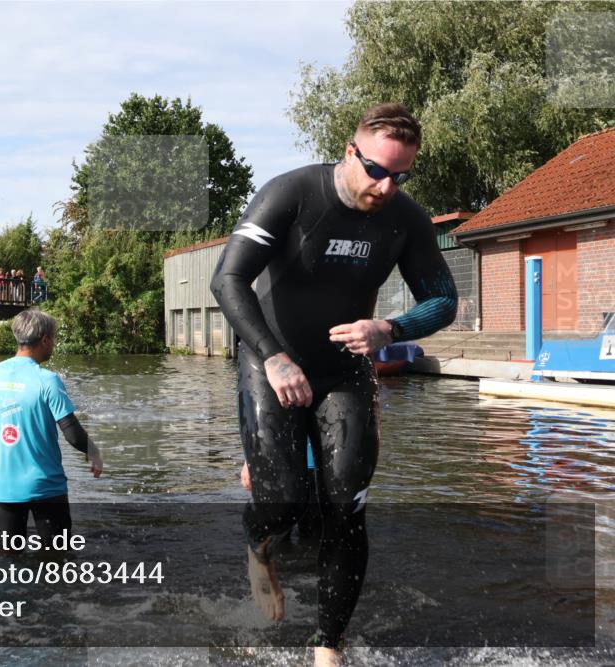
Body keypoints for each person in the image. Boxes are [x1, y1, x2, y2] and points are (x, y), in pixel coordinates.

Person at [210, 103, 457, 666]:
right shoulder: (292, 194)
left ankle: (328, 646)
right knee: (282, 499)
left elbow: (444, 300)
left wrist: (390, 328)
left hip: (345, 369)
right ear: (352, 151)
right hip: (271, 361)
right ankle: (258, 544)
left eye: (401, 175)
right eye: (376, 170)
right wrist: (272, 357)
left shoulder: (404, 219)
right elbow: (228, 277)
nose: (387, 185)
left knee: (346, 502)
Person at [0, 310, 103, 548]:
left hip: (6, 487)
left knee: (7, 562)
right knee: (57, 559)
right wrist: (93, 451)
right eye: (53, 338)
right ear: (44, 340)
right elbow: (72, 433)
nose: (53, 344)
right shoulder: (47, 379)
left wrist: (10, 440)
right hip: (47, 487)